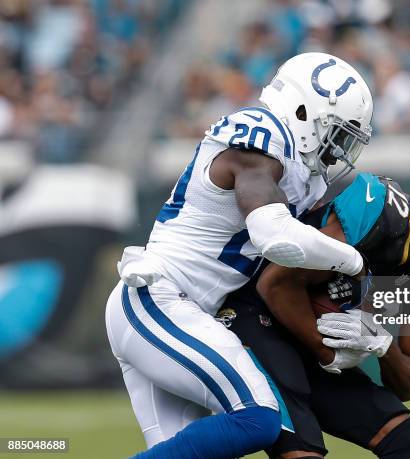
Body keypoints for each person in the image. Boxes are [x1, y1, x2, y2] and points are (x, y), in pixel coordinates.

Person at [104, 52, 374, 458]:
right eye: (336, 134)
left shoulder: (299, 173)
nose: (338, 151)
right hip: (159, 299)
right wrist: (353, 262)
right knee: (258, 417)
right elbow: (273, 234)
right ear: (303, 111)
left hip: (175, 309)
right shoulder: (259, 135)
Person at [220, 164, 410, 458]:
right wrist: (326, 352)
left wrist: (383, 344)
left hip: (308, 337)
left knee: (403, 436)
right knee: (304, 451)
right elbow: (275, 284)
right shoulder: (383, 215)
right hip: (256, 314)